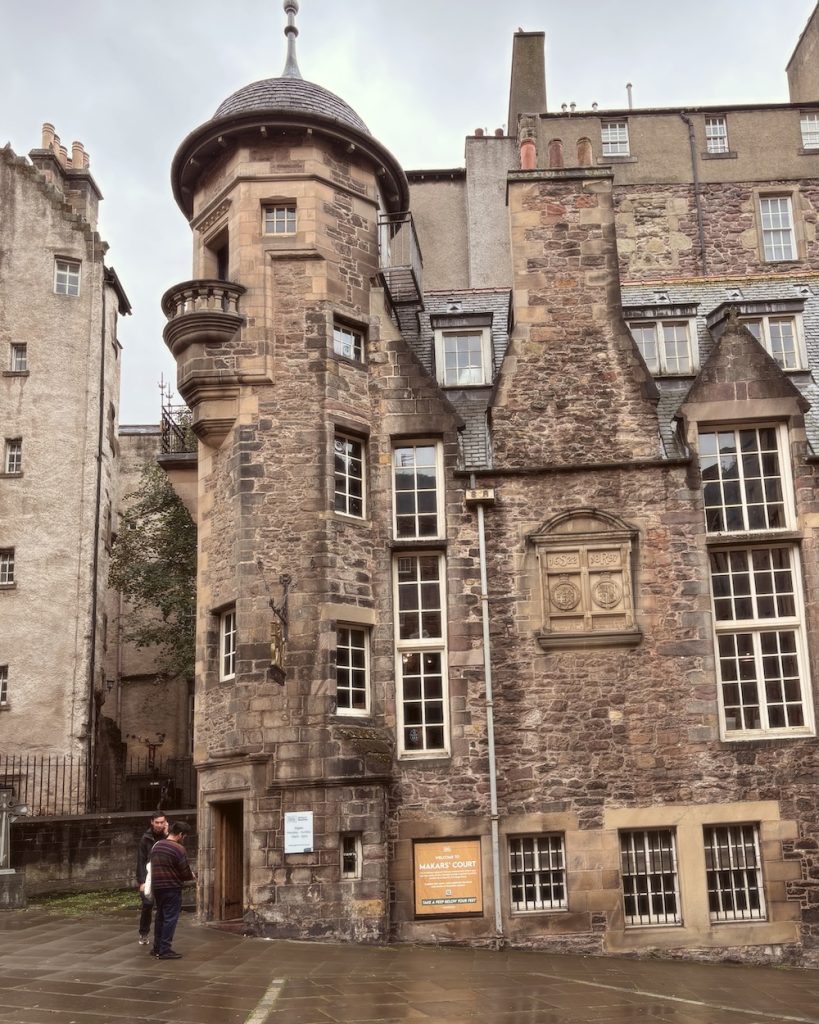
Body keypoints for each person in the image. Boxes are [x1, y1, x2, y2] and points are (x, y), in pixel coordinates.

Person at [150, 820, 195, 959]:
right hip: (171, 886)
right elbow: (184, 871)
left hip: (157, 886)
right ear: (180, 834)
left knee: (160, 917)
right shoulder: (178, 849)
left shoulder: (157, 845)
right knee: (170, 918)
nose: (184, 839)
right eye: (184, 836)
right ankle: (165, 949)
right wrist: (192, 876)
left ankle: (156, 947)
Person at [135, 812, 168, 944]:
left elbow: (173, 849)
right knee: (147, 904)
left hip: (163, 875)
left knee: (162, 906)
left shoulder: (168, 836)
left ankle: (161, 936)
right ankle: (144, 933)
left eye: (162, 822)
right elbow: (141, 860)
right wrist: (142, 881)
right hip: (148, 876)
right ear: (152, 822)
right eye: (157, 822)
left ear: (166, 823)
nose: (159, 825)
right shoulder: (146, 838)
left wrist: (166, 835)